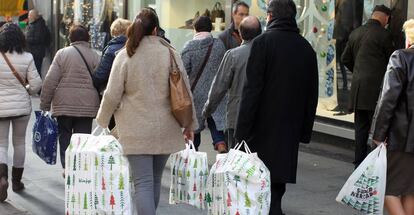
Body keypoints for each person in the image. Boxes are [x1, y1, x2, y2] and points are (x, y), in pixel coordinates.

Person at [96, 9, 197, 215]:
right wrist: (189, 125)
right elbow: (185, 92)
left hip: (135, 130)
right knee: (155, 179)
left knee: (142, 183)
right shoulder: (171, 53)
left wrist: (102, 121)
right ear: (155, 30)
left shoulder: (125, 55)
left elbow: (112, 94)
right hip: (167, 129)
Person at [234, 0, 319, 214]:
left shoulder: (262, 43)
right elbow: (312, 95)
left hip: (261, 127)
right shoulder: (306, 48)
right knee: (277, 186)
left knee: (258, 184)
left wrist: (241, 130)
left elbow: (251, 90)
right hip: (290, 127)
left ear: (270, 16)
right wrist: (305, 131)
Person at [40, 25, 100, 172]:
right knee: (83, 140)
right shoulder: (95, 56)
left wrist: (45, 104)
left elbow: (50, 80)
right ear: (88, 38)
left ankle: (67, 169)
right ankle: (80, 170)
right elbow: (101, 81)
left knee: (65, 137)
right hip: (87, 106)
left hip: (64, 105)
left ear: (70, 38)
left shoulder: (62, 54)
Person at [341, 5, 395, 168]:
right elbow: (392, 63)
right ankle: (375, 164)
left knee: (361, 128)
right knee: (379, 128)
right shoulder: (384, 35)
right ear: (385, 18)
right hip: (377, 90)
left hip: (358, 89)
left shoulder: (356, 33)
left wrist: (358, 72)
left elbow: (345, 59)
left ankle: (359, 163)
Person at [372, 19, 414, 215]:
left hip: (401, 137)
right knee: (410, 190)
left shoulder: (401, 57)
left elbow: (388, 98)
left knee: (388, 189)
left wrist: (378, 134)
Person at [203, 16, 262, 149]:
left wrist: (207, 110)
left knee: (236, 161)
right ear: (260, 33)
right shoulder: (268, 55)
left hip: (236, 117)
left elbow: (219, 87)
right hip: (262, 119)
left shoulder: (233, 55)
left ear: (240, 33)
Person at [0, 23, 42, 202]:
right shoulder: (28, 57)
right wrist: (26, 88)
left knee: (1, 144)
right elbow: (36, 85)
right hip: (21, 108)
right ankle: (17, 182)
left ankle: (2, 178)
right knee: (19, 143)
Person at [181, 16, 227, 153]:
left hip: (196, 93)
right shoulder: (219, 45)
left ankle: (193, 153)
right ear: (211, 28)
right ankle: (221, 145)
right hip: (216, 92)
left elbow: (183, 71)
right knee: (215, 121)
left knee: (195, 124)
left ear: (195, 29)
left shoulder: (189, 47)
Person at [93, 18, 131, 93]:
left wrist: (94, 80)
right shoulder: (135, 47)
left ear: (114, 31)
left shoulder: (111, 49)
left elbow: (101, 75)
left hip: (113, 90)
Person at [26, 9, 50, 77]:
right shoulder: (34, 24)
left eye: (30, 15)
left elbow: (38, 39)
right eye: (29, 15)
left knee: (36, 71)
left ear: (35, 16)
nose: (29, 17)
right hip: (34, 51)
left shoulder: (39, 25)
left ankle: (38, 86)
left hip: (37, 52)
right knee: (34, 71)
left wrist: (26, 39)